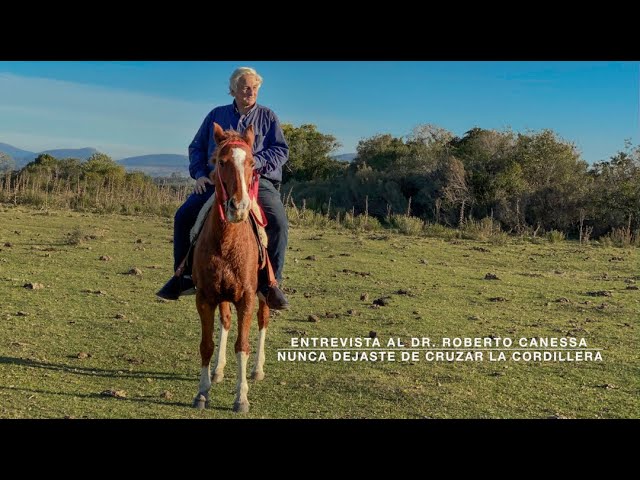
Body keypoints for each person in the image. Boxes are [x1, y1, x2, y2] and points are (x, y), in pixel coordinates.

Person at [156, 66, 290, 309]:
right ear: (233, 91)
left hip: (257, 180)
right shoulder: (215, 115)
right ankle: (182, 276)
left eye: (255, 88)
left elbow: (281, 150)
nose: (251, 92)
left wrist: (253, 162)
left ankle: (271, 285)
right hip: (217, 181)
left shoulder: (268, 117)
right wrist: (198, 175)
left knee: (278, 221)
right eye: (245, 87)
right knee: (183, 215)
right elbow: (196, 147)